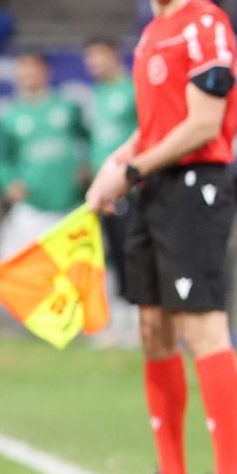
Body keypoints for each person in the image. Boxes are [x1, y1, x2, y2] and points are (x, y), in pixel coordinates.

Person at [85, 0, 237, 474]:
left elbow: (203, 123)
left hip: (195, 185)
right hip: (152, 185)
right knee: (153, 328)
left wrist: (130, 169)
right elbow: (156, 125)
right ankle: (172, 473)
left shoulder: (205, 26)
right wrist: (115, 167)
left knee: (202, 324)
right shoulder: (151, 34)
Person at [0, 53, 87, 336]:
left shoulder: (67, 107)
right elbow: (2, 160)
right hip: (31, 208)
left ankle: (98, 330)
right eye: (23, 70)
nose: (28, 76)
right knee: (3, 264)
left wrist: (86, 166)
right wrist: (8, 183)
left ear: (45, 72)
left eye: (33, 69)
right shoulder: (11, 116)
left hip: (67, 205)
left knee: (82, 268)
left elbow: (86, 140)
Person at [83, 37, 139, 340]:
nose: (94, 64)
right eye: (89, 58)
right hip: (102, 190)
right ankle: (117, 321)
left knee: (129, 250)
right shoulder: (96, 94)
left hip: (128, 188)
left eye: (99, 56)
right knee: (111, 253)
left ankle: (135, 319)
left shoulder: (133, 90)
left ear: (114, 55)